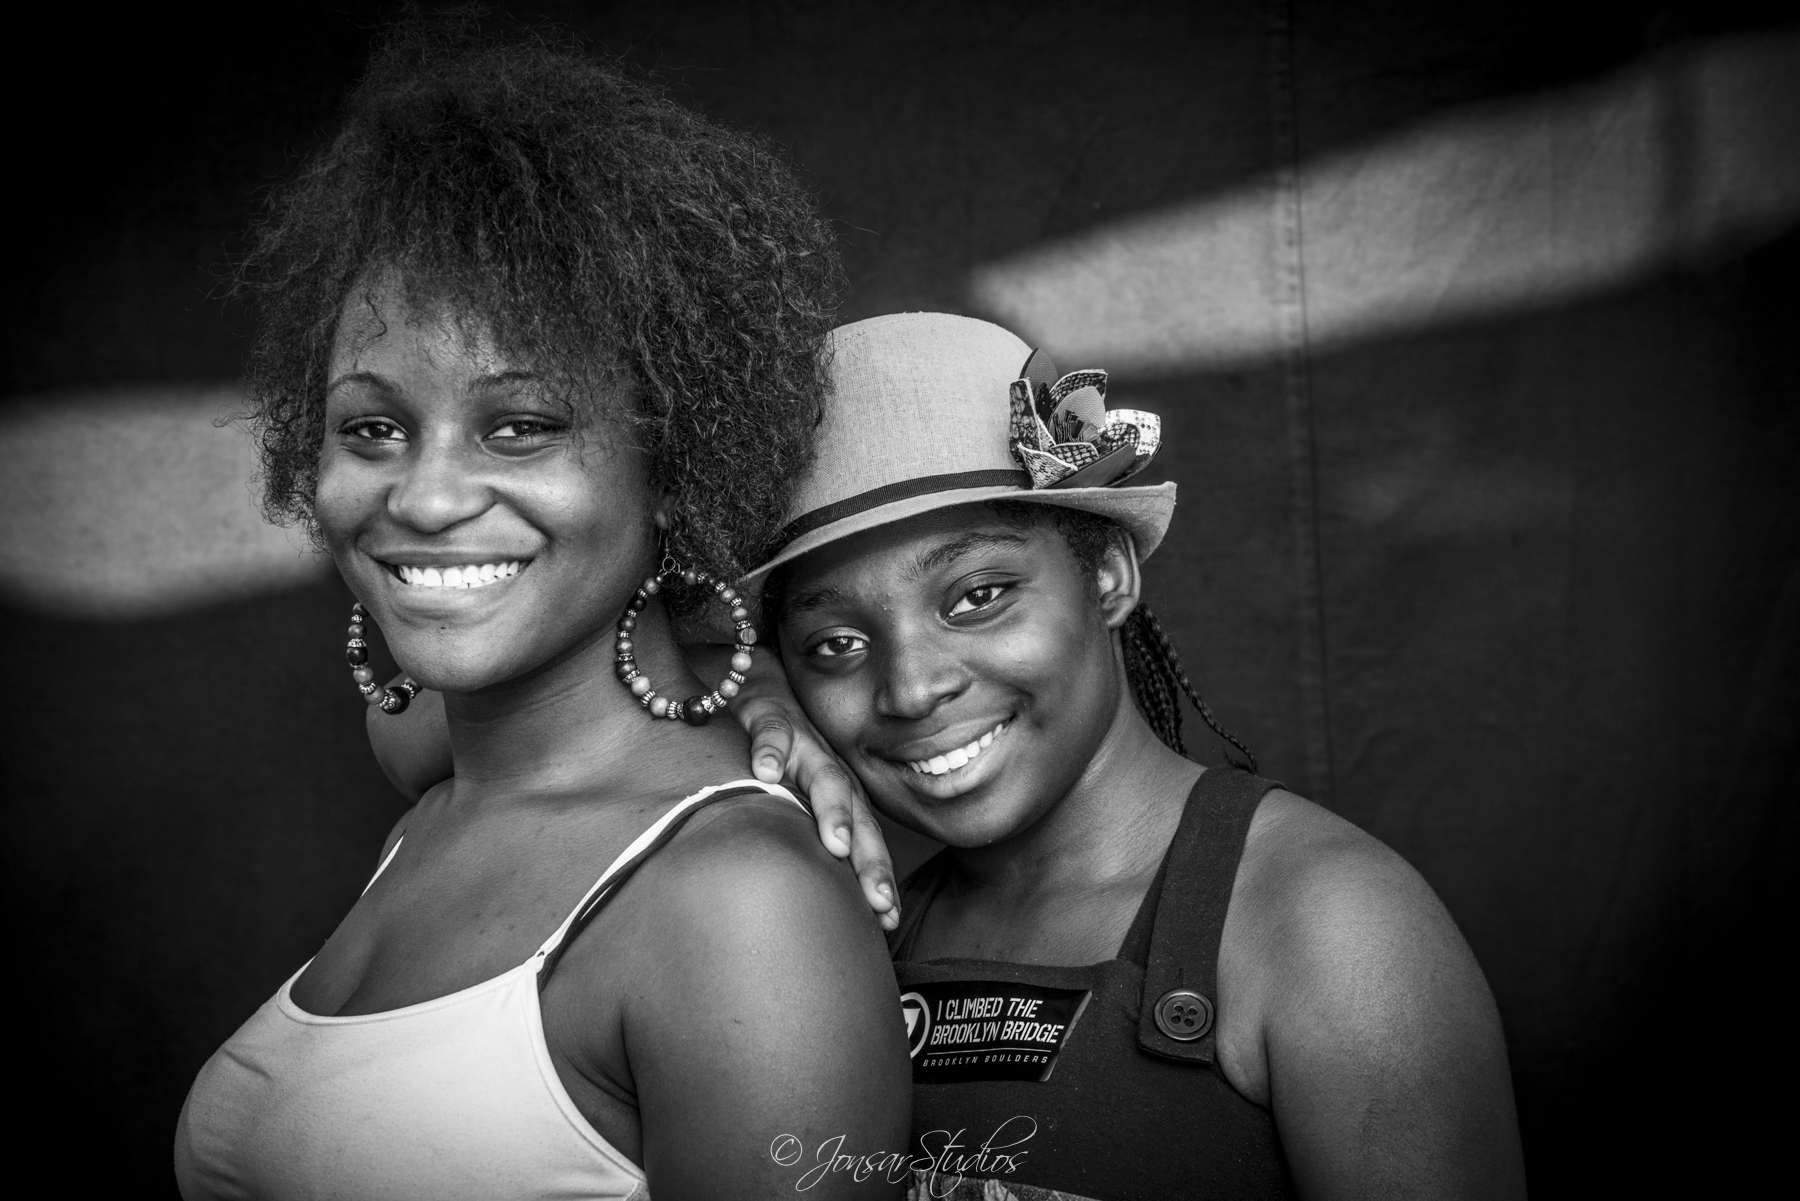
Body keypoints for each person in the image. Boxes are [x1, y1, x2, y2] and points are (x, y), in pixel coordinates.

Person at [378, 311, 1530, 1197]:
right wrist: (751, 676)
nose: (913, 682)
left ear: (1110, 577)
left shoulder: (1329, 924)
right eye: (836, 639)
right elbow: (427, 729)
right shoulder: (853, 918)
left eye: (978, 596)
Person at [172, 25, 910, 1201]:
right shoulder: (441, 796)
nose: (424, 495)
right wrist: (748, 668)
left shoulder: (739, 910)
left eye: (520, 424)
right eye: (373, 427)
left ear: (675, 462)